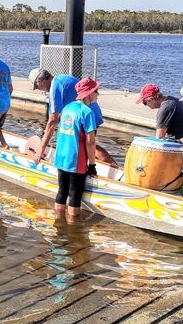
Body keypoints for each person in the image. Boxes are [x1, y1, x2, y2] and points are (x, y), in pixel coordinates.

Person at [30, 69, 118, 167]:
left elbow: (52, 121)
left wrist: (40, 150)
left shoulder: (54, 87)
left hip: (86, 114)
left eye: (37, 87)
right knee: (84, 144)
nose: (40, 90)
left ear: (41, 81)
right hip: (91, 111)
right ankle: (96, 166)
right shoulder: (63, 78)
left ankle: (114, 168)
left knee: (87, 145)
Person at [53, 77, 100, 221]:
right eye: (96, 91)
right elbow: (90, 142)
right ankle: (72, 230)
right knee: (75, 193)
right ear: (89, 93)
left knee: (62, 191)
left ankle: (58, 224)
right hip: (76, 159)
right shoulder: (87, 112)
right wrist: (92, 165)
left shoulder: (67, 108)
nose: (98, 94)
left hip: (61, 156)